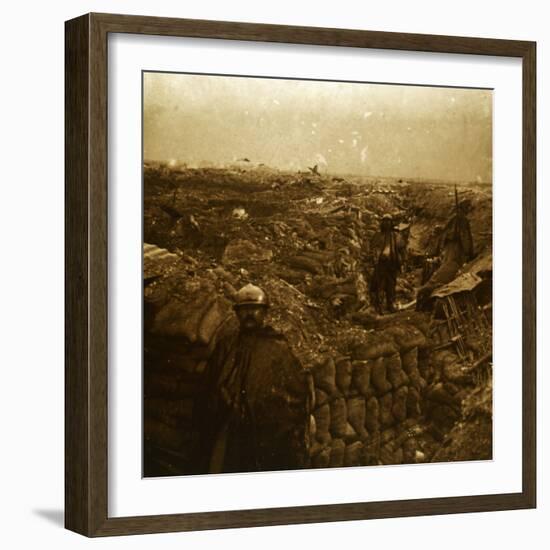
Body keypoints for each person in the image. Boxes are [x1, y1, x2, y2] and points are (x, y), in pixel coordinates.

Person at [194, 284, 311, 474]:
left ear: (264, 312)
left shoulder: (277, 347)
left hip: (267, 430)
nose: (249, 314)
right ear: (237, 313)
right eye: (244, 310)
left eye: (254, 309)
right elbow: (211, 381)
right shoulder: (227, 344)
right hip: (230, 426)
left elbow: (294, 391)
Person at [416, 196, 474, 310]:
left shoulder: (453, 220)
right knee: (446, 272)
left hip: (449, 252)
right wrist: (469, 253)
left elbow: (444, 237)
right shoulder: (461, 221)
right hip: (454, 253)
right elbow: (465, 238)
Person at [369, 214, 406, 314]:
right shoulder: (377, 235)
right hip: (381, 264)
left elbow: (402, 249)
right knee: (379, 284)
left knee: (391, 285)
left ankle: (391, 305)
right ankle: (379, 306)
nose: (387, 223)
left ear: (391, 223)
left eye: (389, 221)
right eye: (385, 221)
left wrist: (402, 262)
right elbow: (373, 248)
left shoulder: (395, 236)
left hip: (392, 264)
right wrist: (375, 259)